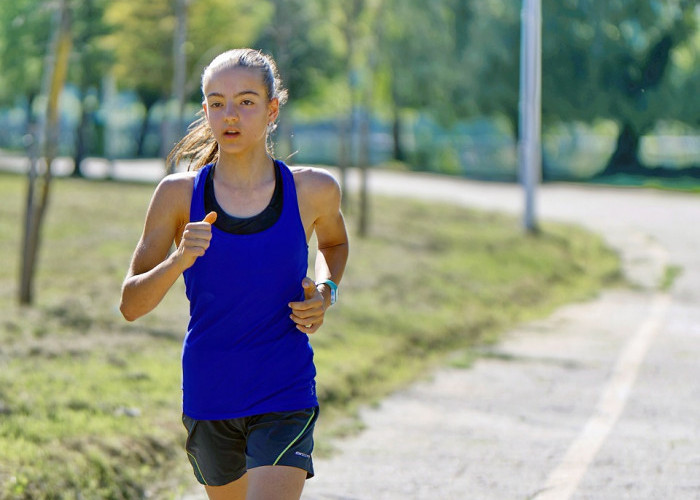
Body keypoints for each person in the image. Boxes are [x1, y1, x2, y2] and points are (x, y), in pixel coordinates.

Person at [119, 48, 349, 500]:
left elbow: (335, 243)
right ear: (205, 111)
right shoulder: (178, 196)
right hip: (211, 393)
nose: (231, 115)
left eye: (246, 101)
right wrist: (178, 260)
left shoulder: (312, 190)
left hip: (285, 388)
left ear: (271, 109)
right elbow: (130, 305)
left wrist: (326, 290)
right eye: (217, 102)